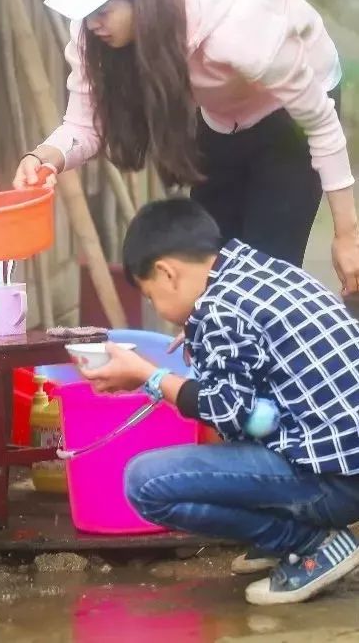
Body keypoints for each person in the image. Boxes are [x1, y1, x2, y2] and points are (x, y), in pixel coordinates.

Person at [13, 0, 359, 296]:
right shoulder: (93, 33)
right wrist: (44, 158)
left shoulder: (241, 29)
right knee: (204, 275)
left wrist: (347, 236)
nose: (93, 22)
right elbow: (83, 125)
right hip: (218, 115)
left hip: (288, 117)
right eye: (88, 10)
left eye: (103, 10)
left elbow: (319, 123)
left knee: (266, 281)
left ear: (145, 0)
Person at [76, 198, 359, 606]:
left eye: (152, 297)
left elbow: (226, 412)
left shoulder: (221, 310)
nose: (158, 310)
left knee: (145, 483)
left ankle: (309, 543)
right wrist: (199, 342)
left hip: (335, 483)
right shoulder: (257, 270)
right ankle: (293, 534)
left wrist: (147, 376)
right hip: (345, 464)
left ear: (167, 273)